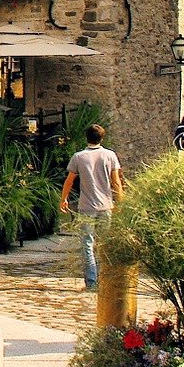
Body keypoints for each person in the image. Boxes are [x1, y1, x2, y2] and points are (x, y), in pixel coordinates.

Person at [60, 123, 124, 291]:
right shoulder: (110, 155)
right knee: (103, 244)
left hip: (86, 205)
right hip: (106, 205)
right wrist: (121, 200)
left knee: (87, 244)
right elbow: (116, 181)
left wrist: (64, 199)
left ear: (86, 137)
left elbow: (69, 180)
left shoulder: (78, 157)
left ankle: (91, 282)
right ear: (102, 138)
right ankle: (104, 280)